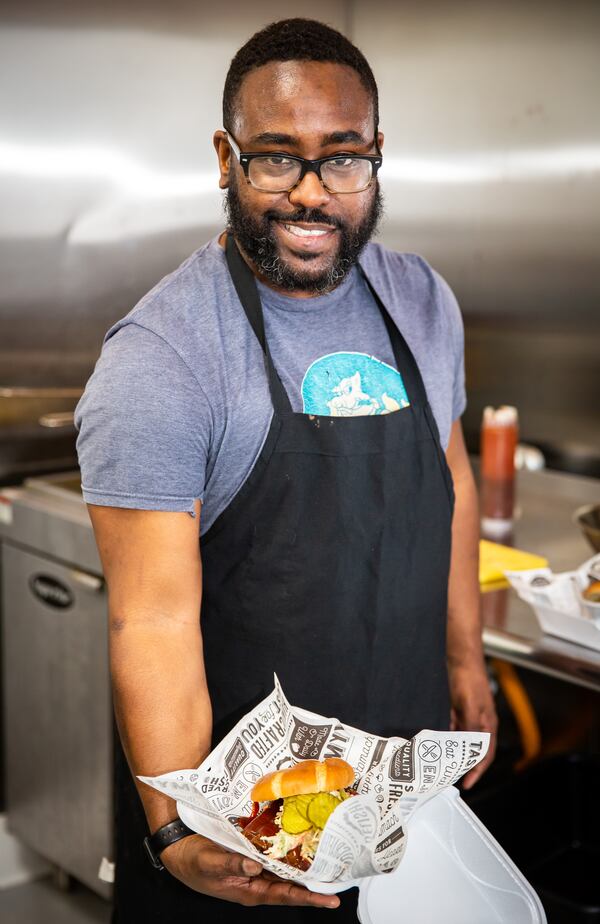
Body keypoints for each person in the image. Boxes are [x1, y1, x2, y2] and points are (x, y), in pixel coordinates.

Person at [75, 17, 497, 922]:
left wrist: (468, 663)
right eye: (276, 158)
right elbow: (149, 617)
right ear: (225, 157)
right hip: (244, 832)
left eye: (342, 159)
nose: (311, 195)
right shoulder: (163, 356)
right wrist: (174, 834)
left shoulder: (422, 299)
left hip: (404, 775)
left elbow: (452, 484)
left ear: (377, 155)